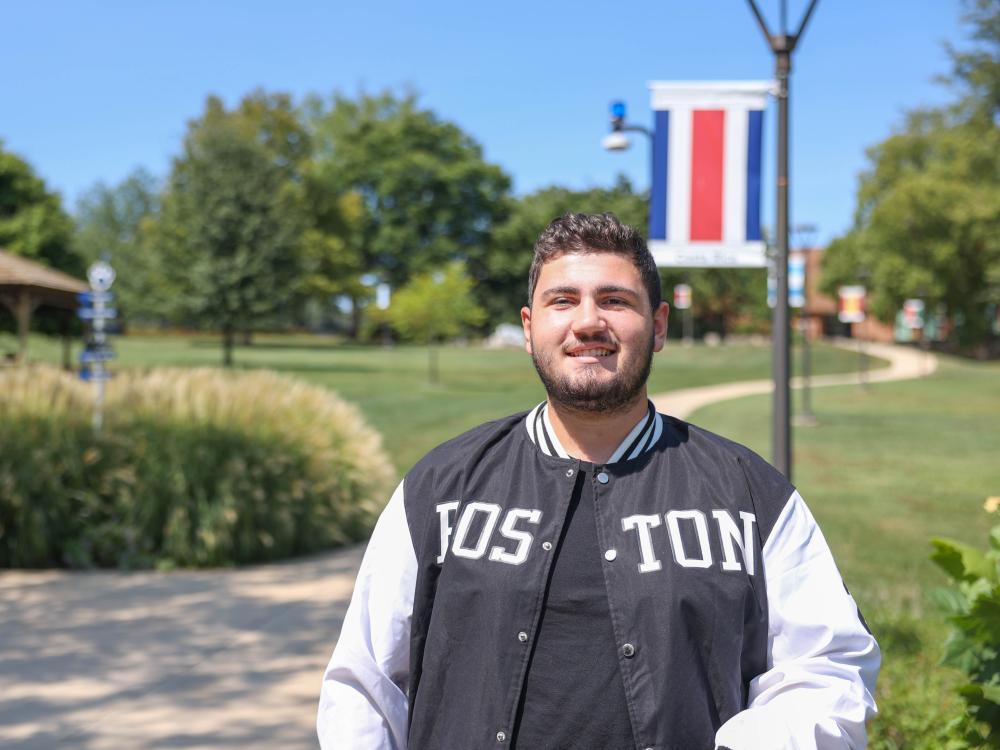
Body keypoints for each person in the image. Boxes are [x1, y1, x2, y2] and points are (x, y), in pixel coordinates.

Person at [318, 213, 879, 750]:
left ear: (658, 327)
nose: (588, 321)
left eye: (614, 300)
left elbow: (828, 667)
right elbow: (365, 687)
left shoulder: (749, 493)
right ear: (529, 326)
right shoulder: (440, 487)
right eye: (563, 300)